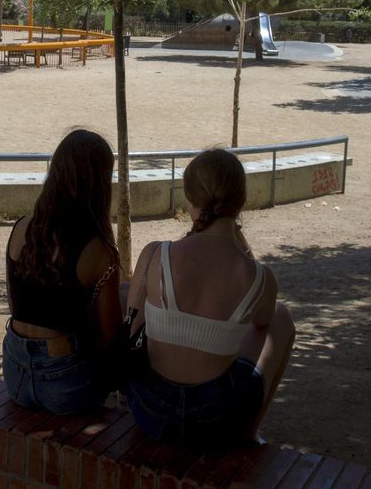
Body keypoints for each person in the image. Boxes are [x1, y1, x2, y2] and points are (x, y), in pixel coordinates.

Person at [125, 149, 295, 446]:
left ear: (190, 202)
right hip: (217, 421)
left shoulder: (155, 254)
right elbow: (263, 323)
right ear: (240, 201)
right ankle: (250, 433)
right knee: (281, 318)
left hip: (149, 409)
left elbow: (131, 326)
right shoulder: (258, 276)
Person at [2, 129, 122, 414]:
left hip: (14, 373)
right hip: (67, 381)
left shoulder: (22, 227)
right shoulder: (99, 251)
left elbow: (17, 304)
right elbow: (110, 338)